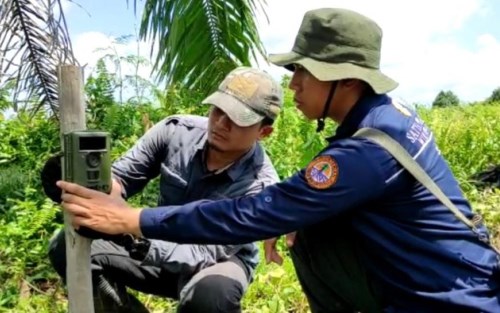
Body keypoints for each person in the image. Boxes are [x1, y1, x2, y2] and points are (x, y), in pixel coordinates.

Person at [56, 8, 500, 313]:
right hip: (444, 277)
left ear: (342, 80)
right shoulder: (388, 116)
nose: (294, 87)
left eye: (302, 73)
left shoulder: (365, 149)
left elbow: (249, 215)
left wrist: (134, 220)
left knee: (226, 282)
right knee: (309, 230)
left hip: (445, 298)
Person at [43, 67, 283, 313]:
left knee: (212, 296)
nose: (221, 123)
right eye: (218, 110)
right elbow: (122, 177)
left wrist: (134, 238)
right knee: (64, 246)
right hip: (156, 244)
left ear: (263, 132)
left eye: (236, 119)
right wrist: (95, 187)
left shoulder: (260, 188)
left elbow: (203, 252)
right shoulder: (175, 132)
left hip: (214, 263)